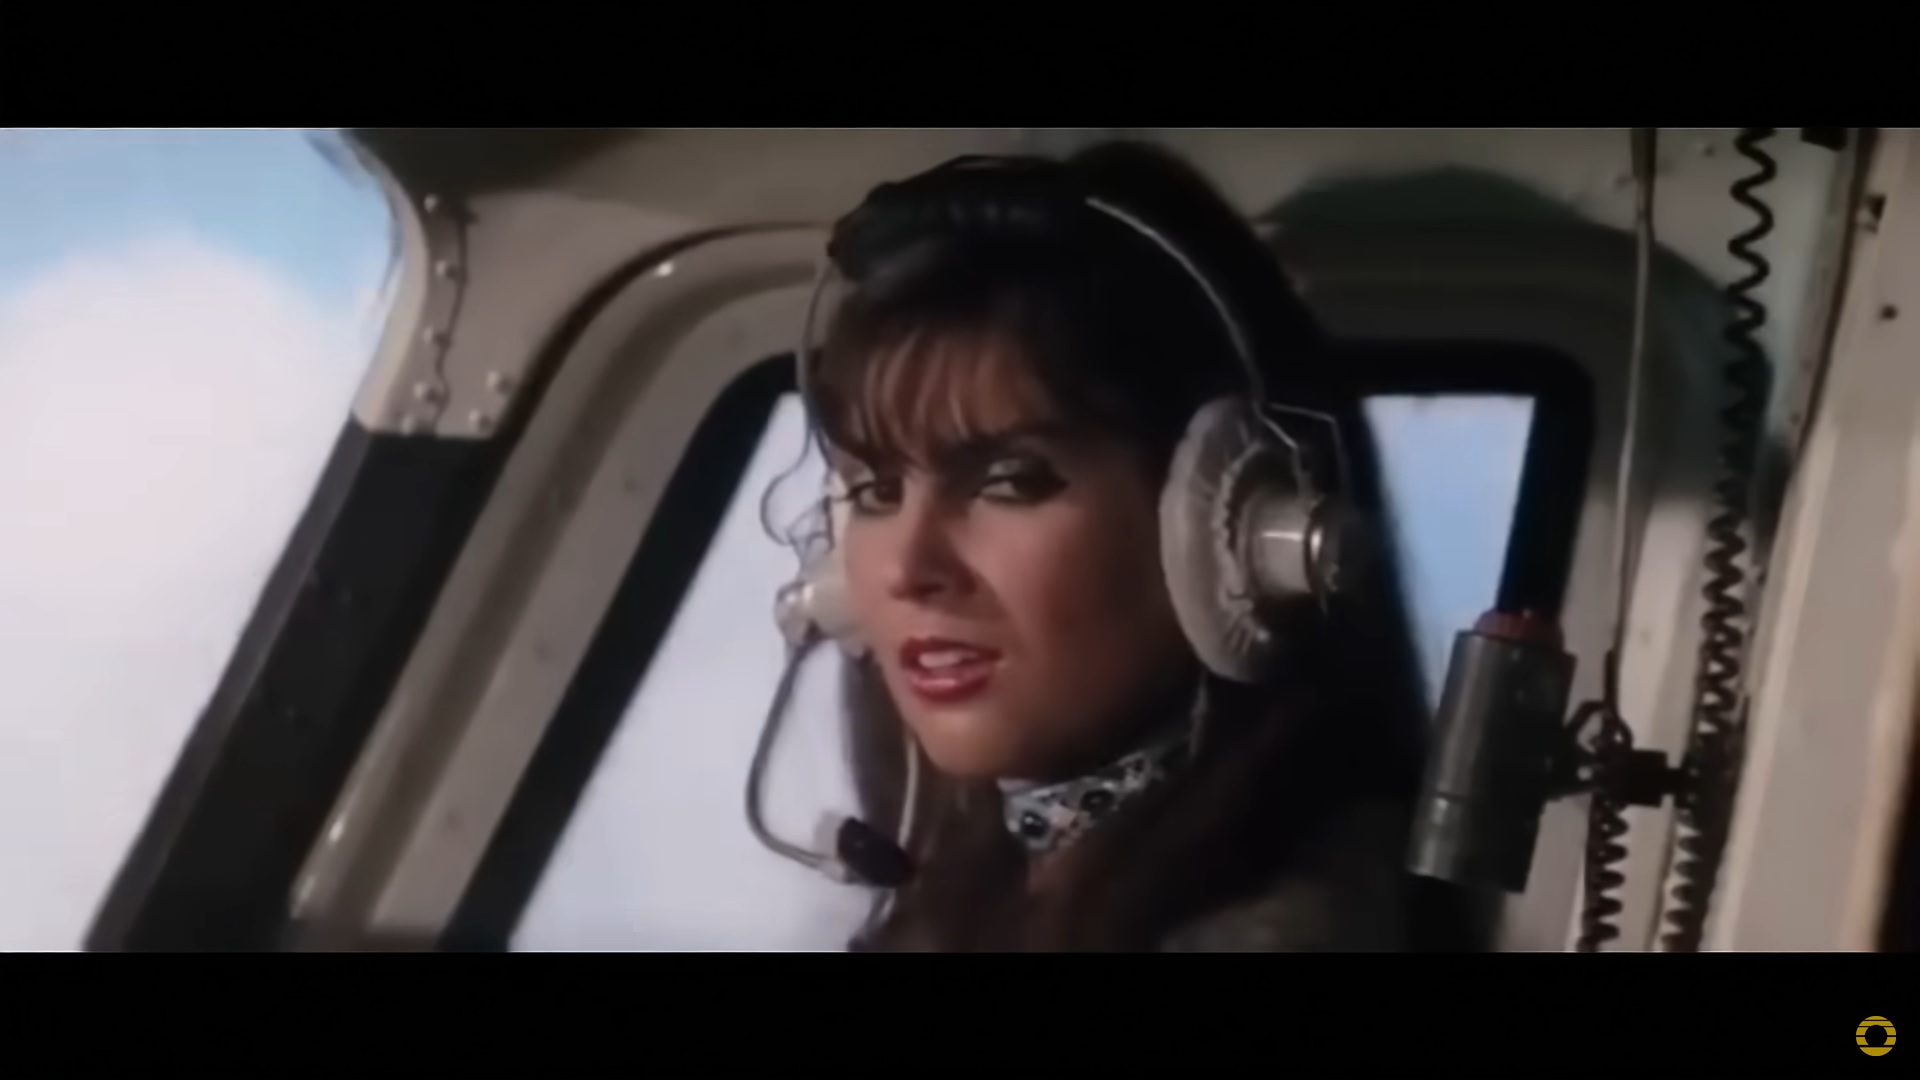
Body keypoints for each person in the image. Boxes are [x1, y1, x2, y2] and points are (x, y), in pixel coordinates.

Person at [806, 142, 1448, 951]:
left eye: (1010, 482)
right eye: (876, 492)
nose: (907, 569)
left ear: (1234, 533)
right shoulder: (998, 889)